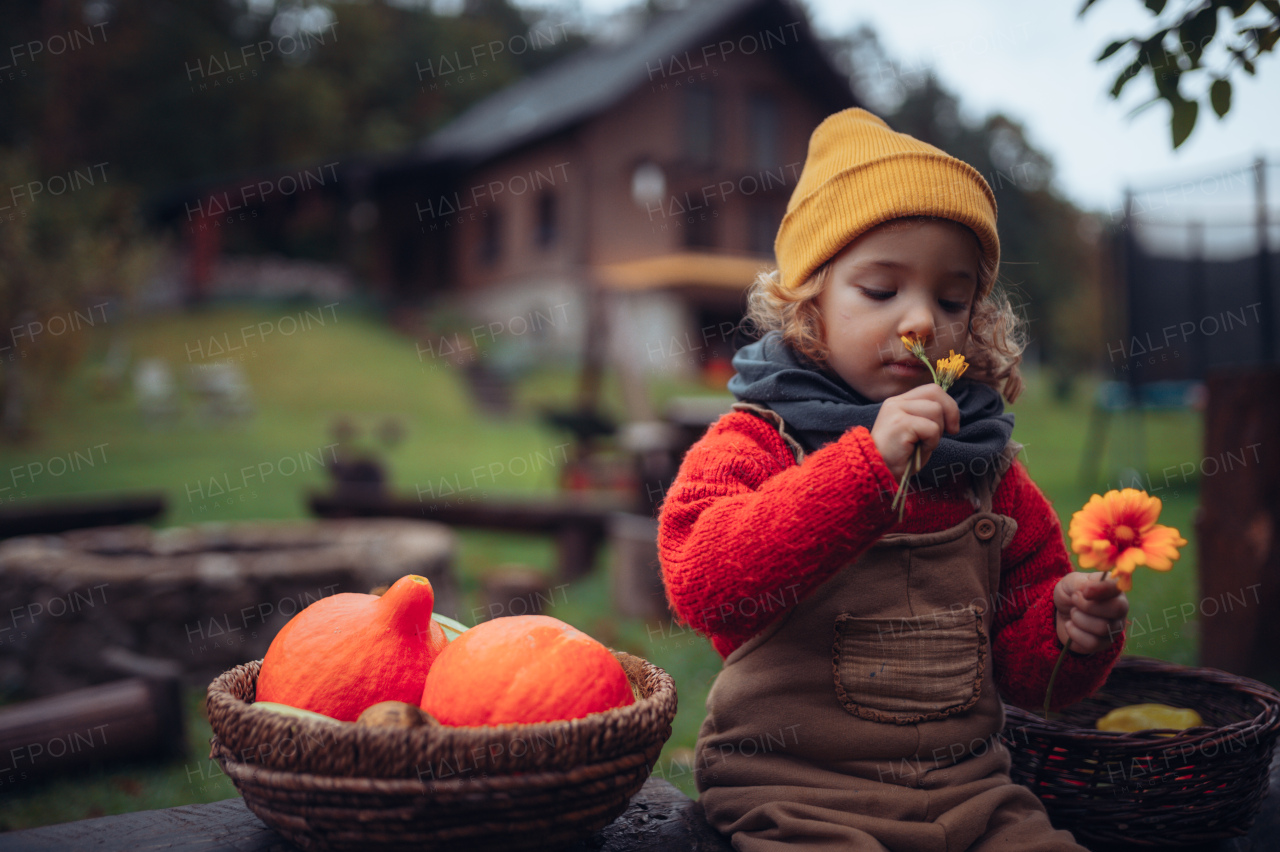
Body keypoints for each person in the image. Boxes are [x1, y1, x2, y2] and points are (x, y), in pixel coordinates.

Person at [656, 107, 1128, 851]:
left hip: (969, 792)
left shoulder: (988, 469)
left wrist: (1071, 631)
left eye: (950, 299)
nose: (920, 321)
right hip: (793, 789)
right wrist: (862, 471)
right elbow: (702, 582)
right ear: (808, 300)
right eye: (881, 290)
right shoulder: (758, 440)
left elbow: (1029, 673)